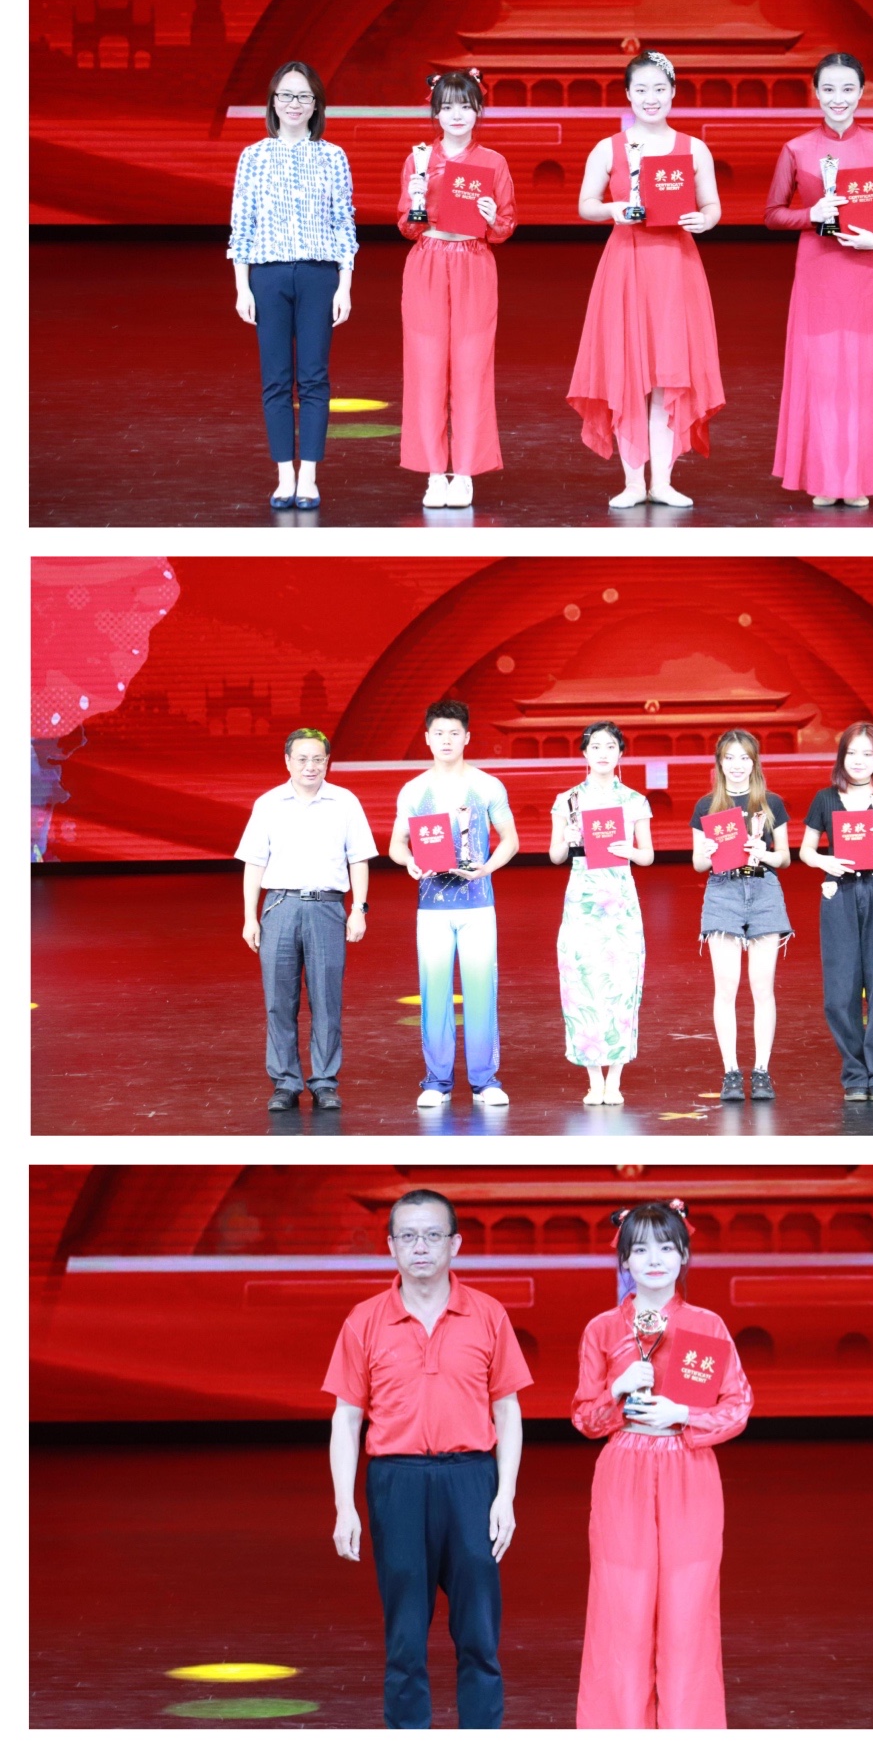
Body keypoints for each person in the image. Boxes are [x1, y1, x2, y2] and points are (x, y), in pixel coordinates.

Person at [324, 1185, 531, 1730]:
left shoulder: (487, 1314)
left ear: (455, 1244)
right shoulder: (364, 1320)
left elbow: (507, 1410)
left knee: (479, 1634)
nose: (421, 1247)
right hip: (397, 1483)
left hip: (471, 1481)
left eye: (433, 1235)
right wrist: (345, 1506)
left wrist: (505, 1495)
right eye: (409, 1236)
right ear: (391, 1246)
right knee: (405, 1638)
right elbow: (346, 1418)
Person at [572, 1199, 751, 1729]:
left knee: (688, 1610)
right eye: (641, 1249)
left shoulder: (705, 1326)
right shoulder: (603, 1329)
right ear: (624, 1260)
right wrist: (616, 1389)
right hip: (623, 1468)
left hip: (688, 1470)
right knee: (620, 1609)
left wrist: (683, 1413)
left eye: (667, 1248)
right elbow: (584, 1418)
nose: (654, 1260)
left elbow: (737, 1406)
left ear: (685, 1256)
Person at [568, 50, 724, 509]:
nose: (650, 98)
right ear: (628, 95)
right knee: (628, 372)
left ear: (673, 93)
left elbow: (712, 206)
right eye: (641, 90)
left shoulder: (693, 149)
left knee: (668, 375)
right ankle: (634, 482)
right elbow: (586, 205)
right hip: (626, 266)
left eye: (659, 89)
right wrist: (613, 210)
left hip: (675, 267)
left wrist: (704, 220)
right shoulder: (609, 148)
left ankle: (663, 482)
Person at [765, 50, 873, 509]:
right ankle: (826, 477)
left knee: (864, 376)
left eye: (847, 89)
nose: (838, 98)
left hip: (867, 272)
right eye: (828, 89)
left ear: (861, 92)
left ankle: (857, 478)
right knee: (823, 376)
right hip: (819, 272)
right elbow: (773, 214)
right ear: (816, 92)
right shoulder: (796, 149)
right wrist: (811, 215)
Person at [229, 60, 358, 510]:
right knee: (276, 379)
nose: (294, 104)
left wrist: (344, 285)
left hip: (320, 275)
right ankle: (284, 475)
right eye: (286, 95)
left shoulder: (333, 156)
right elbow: (242, 224)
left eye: (304, 96)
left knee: (315, 377)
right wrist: (242, 287)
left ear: (316, 104)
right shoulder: (253, 157)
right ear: (273, 102)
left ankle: (310, 477)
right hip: (268, 275)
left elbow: (344, 223)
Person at [235, 726, 375, 1112]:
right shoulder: (268, 804)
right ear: (287, 761)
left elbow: (358, 859)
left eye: (317, 759)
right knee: (279, 1001)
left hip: (327, 908)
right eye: (302, 759)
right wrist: (249, 917)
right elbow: (254, 863)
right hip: (280, 907)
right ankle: (285, 1082)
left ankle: (325, 1081)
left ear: (327, 762)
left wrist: (358, 909)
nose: (310, 766)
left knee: (326, 1000)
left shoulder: (345, 802)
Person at [388, 698, 519, 1110]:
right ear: (427, 739)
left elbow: (511, 840)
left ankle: (485, 1082)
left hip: (478, 905)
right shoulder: (414, 790)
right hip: (432, 909)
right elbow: (396, 845)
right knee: (434, 992)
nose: (446, 740)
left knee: (481, 992)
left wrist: (486, 868)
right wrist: (409, 862)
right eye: (439, 733)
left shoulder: (487, 786)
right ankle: (437, 1082)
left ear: (467, 737)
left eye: (454, 733)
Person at [397, 71, 517, 510]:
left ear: (479, 110)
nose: (456, 115)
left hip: (474, 263)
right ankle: (434, 473)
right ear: (435, 112)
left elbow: (505, 226)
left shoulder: (493, 163)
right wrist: (415, 200)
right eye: (447, 106)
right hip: (428, 262)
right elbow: (407, 227)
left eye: (465, 106)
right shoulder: (419, 160)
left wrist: (490, 216)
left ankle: (464, 472)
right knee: (426, 368)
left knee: (471, 367)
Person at [798, 721, 873, 1102]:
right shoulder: (825, 799)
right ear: (841, 756)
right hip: (840, 892)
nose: (859, 760)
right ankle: (855, 1072)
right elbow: (805, 850)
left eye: (867, 753)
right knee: (839, 992)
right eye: (852, 752)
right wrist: (825, 862)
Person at [549, 721, 654, 1108]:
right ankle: (594, 1080)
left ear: (621, 753)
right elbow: (555, 855)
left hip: (620, 902)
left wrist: (629, 850)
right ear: (584, 753)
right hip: (582, 901)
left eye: (611, 746)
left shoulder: (634, 801)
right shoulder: (568, 800)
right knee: (582, 984)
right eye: (596, 746)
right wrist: (567, 840)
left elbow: (648, 855)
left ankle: (616, 1080)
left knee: (622, 985)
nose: (603, 753)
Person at [690, 729, 791, 1106]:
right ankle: (731, 1070)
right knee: (726, 987)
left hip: (763, 889)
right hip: (723, 891)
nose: (737, 765)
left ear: (754, 762)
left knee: (762, 988)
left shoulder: (771, 802)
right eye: (729, 758)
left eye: (744, 758)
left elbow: (784, 858)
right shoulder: (707, 805)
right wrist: (709, 851)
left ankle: (761, 1070)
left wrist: (763, 852)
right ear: (719, 763)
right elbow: (698, 864)